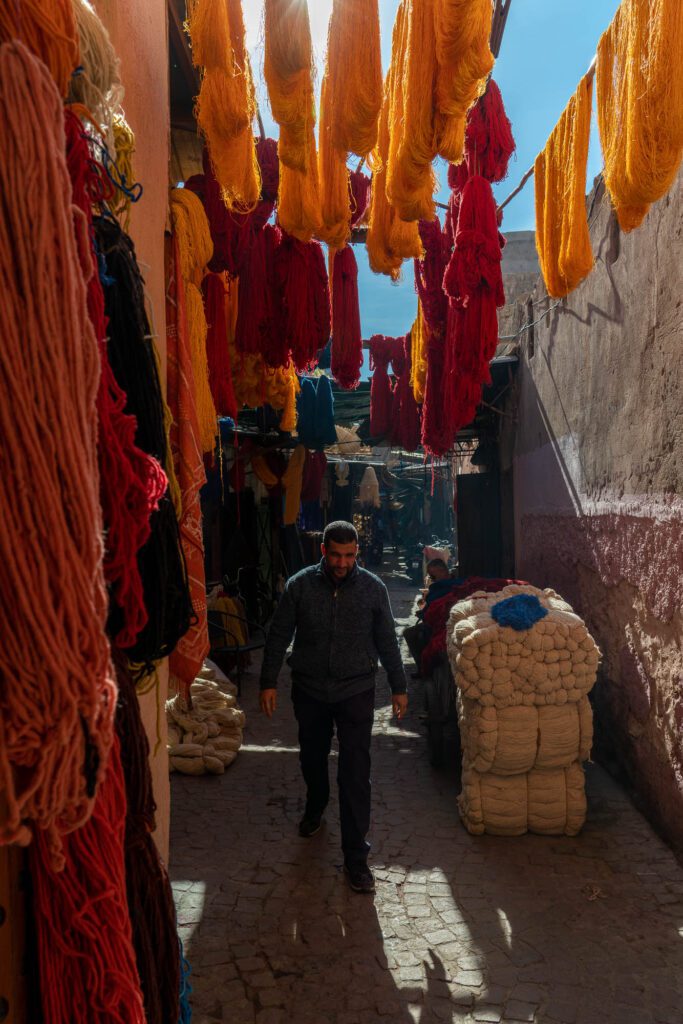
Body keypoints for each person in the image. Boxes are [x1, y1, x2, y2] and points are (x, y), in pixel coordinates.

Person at [259, 520, 408, 895]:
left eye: (349, 555)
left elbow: (387, 640)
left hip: (356, 689)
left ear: (357, 553)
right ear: (323, 550)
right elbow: (279, 633)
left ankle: (356, 859)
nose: (342, 563)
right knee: (312, 756)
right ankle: (316, 803)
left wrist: (398, 686)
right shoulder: (300, 585)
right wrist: (267, 680)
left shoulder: (373, 589)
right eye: (336, 555)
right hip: (309, 689)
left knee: (355, 772)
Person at [403, 558, 451, 677]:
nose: (432, 579)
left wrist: (424, 613)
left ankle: (423, 670)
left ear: (441, 571)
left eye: (433, 576)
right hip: (439, 620)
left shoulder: (443, 586)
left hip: (441, 624)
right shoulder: (442, 585)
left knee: (409, 633)